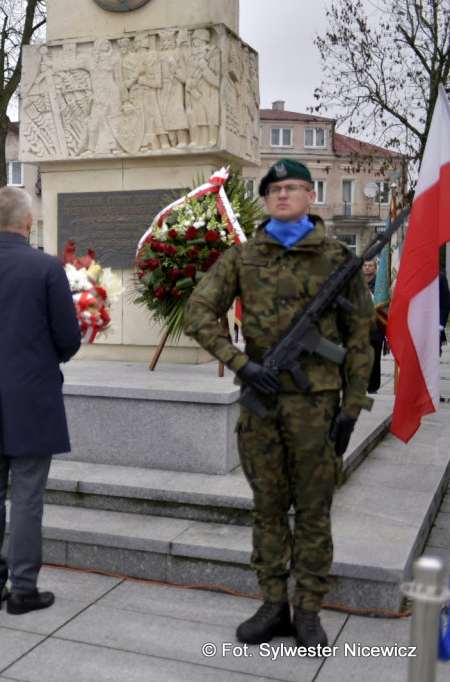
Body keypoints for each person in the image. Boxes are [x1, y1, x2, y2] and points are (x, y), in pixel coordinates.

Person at [184, 158, 374, 649]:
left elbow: (359, 338)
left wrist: (352, 406)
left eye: (294, 188)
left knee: (314, 510)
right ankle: (273, 605)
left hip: (318, 407)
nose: (284, 195)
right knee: (268, 508)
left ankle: (308, 611)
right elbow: (199, 312)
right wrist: (241, 364)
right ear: (266, 199)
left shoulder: (338, 260)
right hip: (263, 403)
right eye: (276, 189)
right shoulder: (242, 258)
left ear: (311, 196)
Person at [0, 186, 81, 615]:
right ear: (29, 223)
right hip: (33, 394)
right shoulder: (46, 268)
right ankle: (23, 589)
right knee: (26, 496)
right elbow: (68, 337)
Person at [361, 258, 384, 393]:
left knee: (374, 358)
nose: (367, 268)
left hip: (376, 326)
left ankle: (373, 386)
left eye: (370, 265)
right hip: (359, 326)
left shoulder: (380, 285)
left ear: (375, 268)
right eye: (365, 265)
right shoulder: (356, 283)